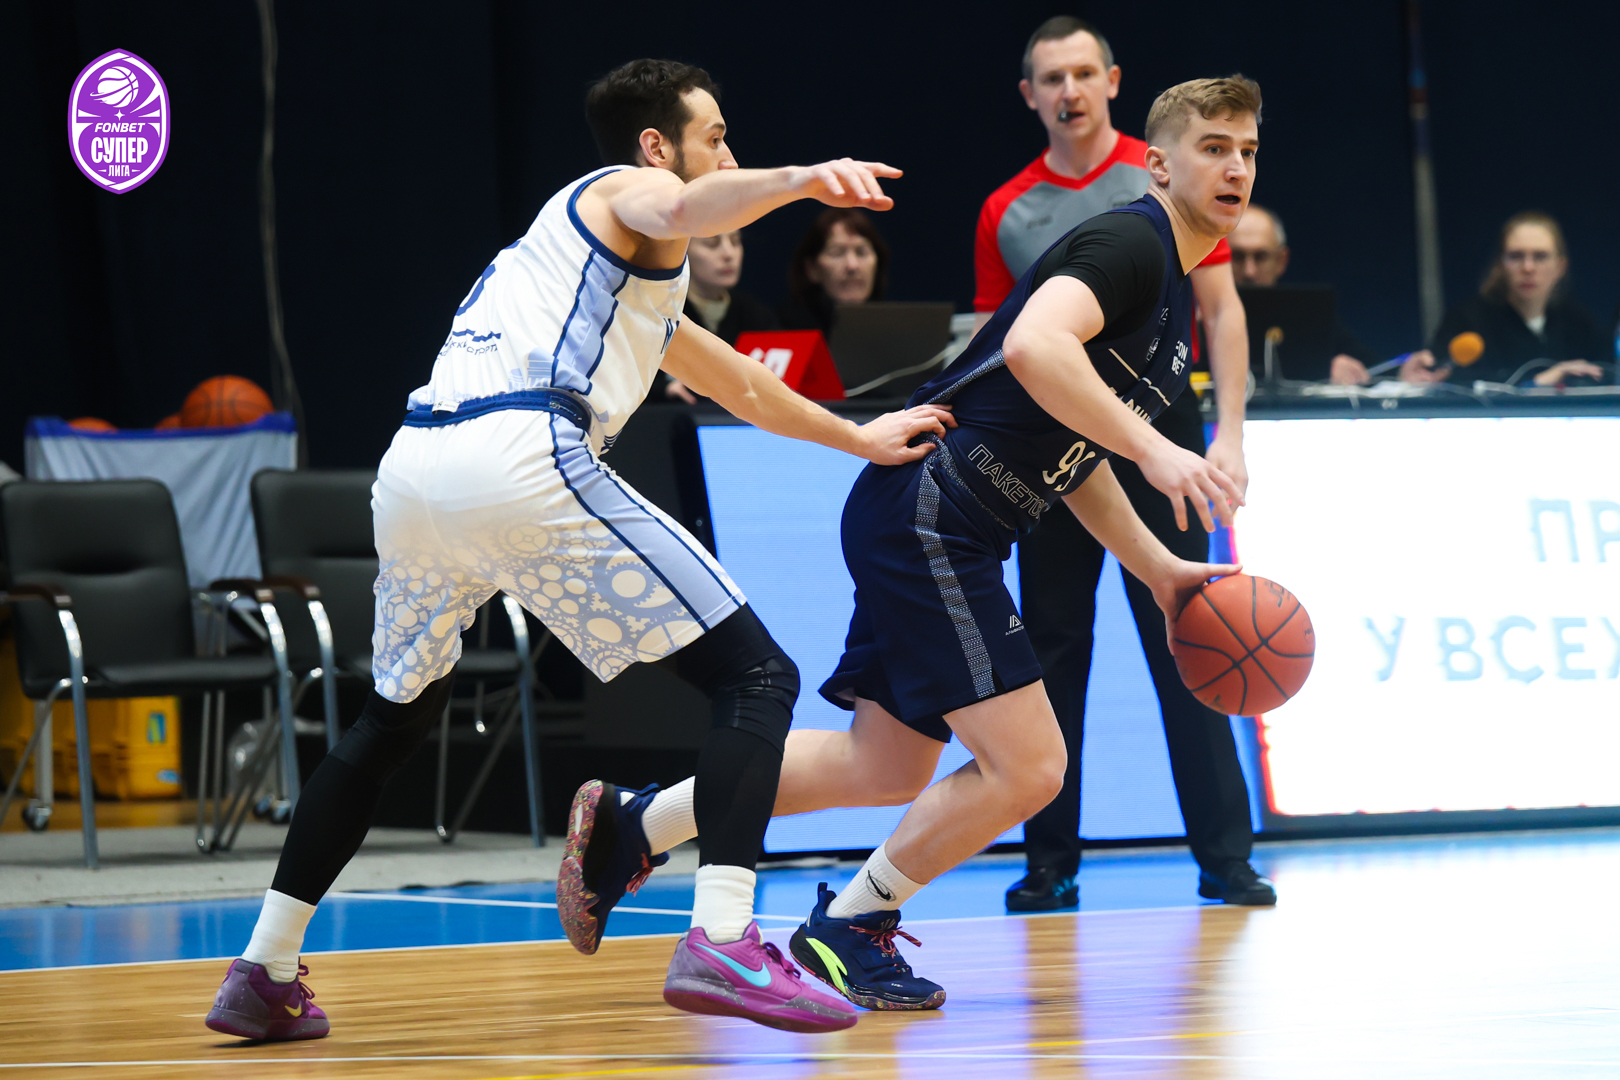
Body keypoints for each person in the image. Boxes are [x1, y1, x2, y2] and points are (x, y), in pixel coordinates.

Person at [204, 58, 957, 1042]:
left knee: (390, 723)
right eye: (715, 137)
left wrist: (858, 436)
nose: (729, 154)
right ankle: (723, 938)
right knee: (758, 676)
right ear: (656, 147)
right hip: (519, 454)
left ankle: (263, 968)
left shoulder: (595, 272)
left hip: (417, 473)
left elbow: (742, 385)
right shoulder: (620, 191)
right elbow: (684, 202)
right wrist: (803, 180)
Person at [567, 75, 1258, 1014]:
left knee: (883, 767)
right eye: (1213, 147)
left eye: (1247, 151)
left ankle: (638, 824)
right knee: (1033, 767)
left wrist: (1163, 571)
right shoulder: (1131, 243)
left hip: (927, 515)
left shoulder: (1171, 293)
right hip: (937, 514)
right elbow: (1037, 349)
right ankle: (850, 927)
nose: (1234, 166)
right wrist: (1158, 447)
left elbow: (1076, 457)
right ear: (1158, 164)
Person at [974, 16, 1269, 913]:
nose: (1069, 90)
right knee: (1053, 649)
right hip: (1057, 439)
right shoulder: (1006, 207)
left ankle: (1225, 857)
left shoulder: (1178, 172)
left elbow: (1222, 310)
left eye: (1082, 73)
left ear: (1110, 81)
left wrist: (1229, 434)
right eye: (1050, 77)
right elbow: (1002, 339)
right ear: (1030, 95)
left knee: (1197, 638)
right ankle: (1049, 860)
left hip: (1161, 428)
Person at [1402, 211, 1608, 387]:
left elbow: (1607, 375)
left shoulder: (1579, 323)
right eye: (1516, 256)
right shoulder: (1466, 322)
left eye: (1540, 256)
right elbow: (1446, 381)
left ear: (1560, 267)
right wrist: (1537, 383)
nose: (1528, 268)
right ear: (1500, 265)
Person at [1229, 203, 1371, 386]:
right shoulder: (1198, 314)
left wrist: (1340, 368)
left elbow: (1374, 367)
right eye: (1237, 256)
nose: (1249, 271)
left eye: (1261, 257)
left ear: (1282, 260)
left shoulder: (1307, 313)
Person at [659, 229, 780, 402]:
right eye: (711, 244)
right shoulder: (659, 313)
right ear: (681, 250)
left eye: (735, 242)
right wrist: (663, 389)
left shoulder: (756, 315)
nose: (728, 254)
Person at [778, 208, 889, 335]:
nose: (852, 266)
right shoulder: (780, 330)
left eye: (861, 252)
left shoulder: (894, 330)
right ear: (812, 269)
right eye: (837, 253)